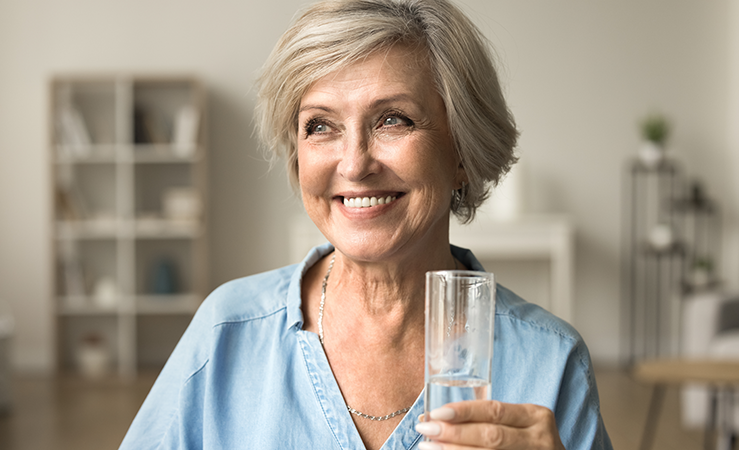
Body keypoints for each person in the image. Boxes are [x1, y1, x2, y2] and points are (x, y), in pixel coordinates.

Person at [119, 0, 613, 449]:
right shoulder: (227, 331)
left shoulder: (551, 362)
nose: (354, 165)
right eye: (320, 125)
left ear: (461, 150)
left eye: (393, 119)